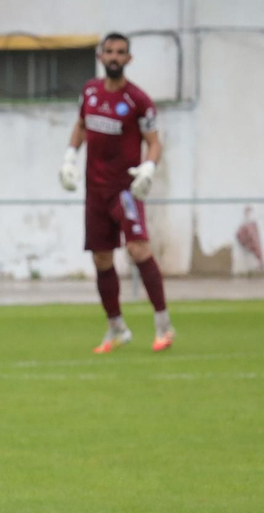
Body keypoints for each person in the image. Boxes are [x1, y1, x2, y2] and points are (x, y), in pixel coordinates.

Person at [59, 32, 174, 354]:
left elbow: (154, 142)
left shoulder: (138, 100)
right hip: (95, 190)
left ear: (128, 59)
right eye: (109, 51)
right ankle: (116, 327)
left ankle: (163, 324)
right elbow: (81, 125)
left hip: (125, 189)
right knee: (101, 258)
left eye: (120, 52)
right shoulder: (90, 92)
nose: (114, 57)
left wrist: (148, 168)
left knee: (138, 250)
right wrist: (70, 157)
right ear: (100, 56)